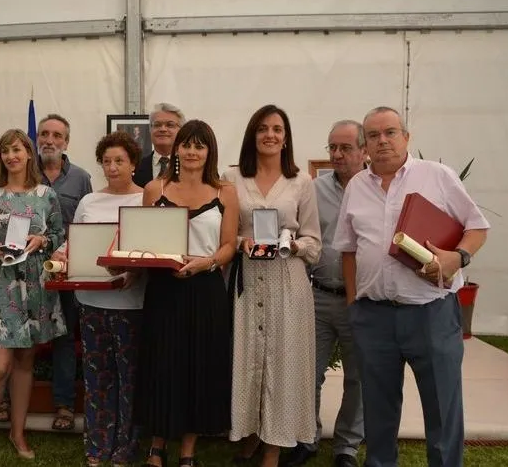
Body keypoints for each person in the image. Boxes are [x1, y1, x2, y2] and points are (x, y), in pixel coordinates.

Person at [334, 107, 490, 467]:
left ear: (407, 137)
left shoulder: (437, 176)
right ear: (365, 146)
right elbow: (348, 250)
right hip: (373, 317)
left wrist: (458, 258)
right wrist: (354, 302)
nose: (382, 141)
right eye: (373, 136)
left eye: (390, 132)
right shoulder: (357, 186)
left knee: (442, 409)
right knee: (379, 411)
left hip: (431, 312)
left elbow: (477, 227)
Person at [137, 119, 239, 467]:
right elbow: (140, 242)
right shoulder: (155, 189)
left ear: (209, 151)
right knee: (163, 364)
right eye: (187, 144)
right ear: (176, 149)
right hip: (164, 290)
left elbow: (228, 246)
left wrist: (206, 263)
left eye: (200, 145)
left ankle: (188, 450)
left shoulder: (225, 191)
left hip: (206, 288)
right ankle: (156, 445)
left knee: (199, 365)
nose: (192, 151)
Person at [224, 105, 322, 467]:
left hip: (286, 280)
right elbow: (222, 233)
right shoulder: (231, 178)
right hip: (247, 280)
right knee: (247, 359)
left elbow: (314, 242)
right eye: (263, 128)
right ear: (252, 135)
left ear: (286, 137)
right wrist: (239, 242)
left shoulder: (301, 183)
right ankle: (249, 435)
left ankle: (273, 448)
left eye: (277, 129)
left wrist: (292, 244)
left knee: (282, 362)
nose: (270, 135)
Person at [0, 128, 67, 466]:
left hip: (35, 286)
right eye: (5, 150)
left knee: (25, 363)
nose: (11, 156)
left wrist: (42, 242)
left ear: (28, 154)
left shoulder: (45, 195)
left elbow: (58, 233)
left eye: (17, 149)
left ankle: (17, 432)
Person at [51, 131, 147, 466]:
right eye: (107, 161)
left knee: (129, 379)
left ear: (133, 163)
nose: (113, 167)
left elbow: (151, 250)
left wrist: (135, 272)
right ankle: (96, 445)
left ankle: (125, 447)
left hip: (131, 303)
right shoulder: (89, 201)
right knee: (97, 378)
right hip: (91, 301)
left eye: (120, 160)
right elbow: (73, 241)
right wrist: (60, 257)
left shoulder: (145, 200)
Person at [282, 120, 366, 467]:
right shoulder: (316, 188)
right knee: (308, 373)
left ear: (363, 150)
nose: (337, 155)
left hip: (359, 301)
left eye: (345, 148)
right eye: (332, 147)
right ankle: (307, 437)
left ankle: (346, 446)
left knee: (357, 378)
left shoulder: (376, 188)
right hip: (316, 295)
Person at [34, 113, 93, 431]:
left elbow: (87, 224)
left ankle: (64, 406)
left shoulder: (81, 179)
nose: (49, 140)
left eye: (57, 135)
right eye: (44, 134)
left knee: (65, 339)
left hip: (66, 273)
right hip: (27, 272)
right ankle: (8, 402)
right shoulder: (23, 174)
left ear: (66, 142)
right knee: (23, 339)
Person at [133, 103, 184, 187]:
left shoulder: (189, 166)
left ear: (181, 131)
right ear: (150, 129)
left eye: (170, 125)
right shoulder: (136, 168)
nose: (163, 129)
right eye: (157, 125)